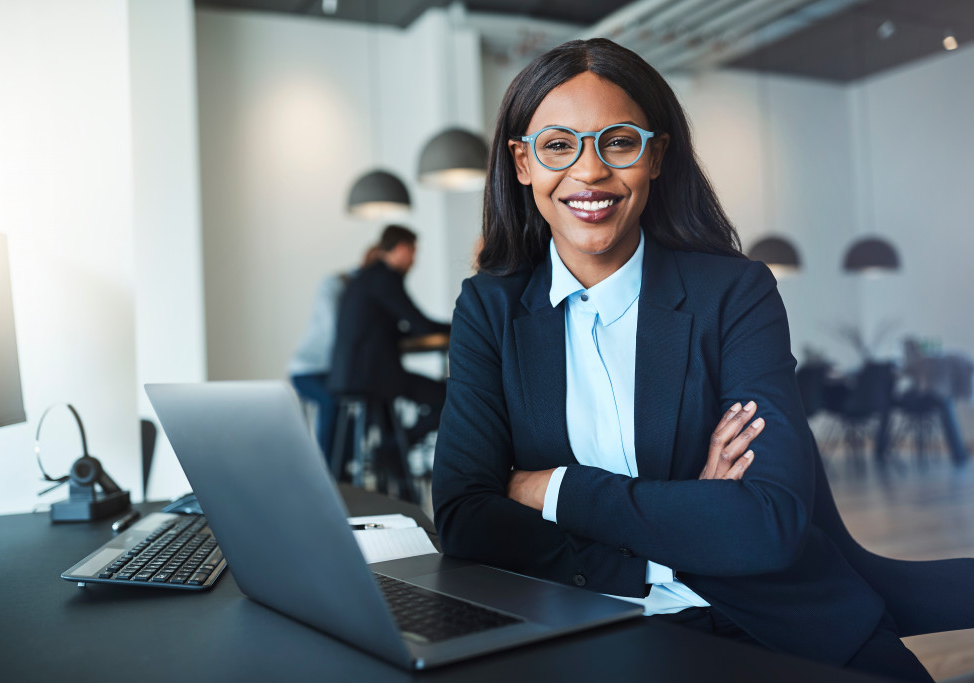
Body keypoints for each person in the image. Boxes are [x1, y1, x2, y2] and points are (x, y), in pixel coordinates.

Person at [431, 38, 937, 681]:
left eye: (618, 142)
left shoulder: (736, 294)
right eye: (559, 145)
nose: (589, 173)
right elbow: (465, 519)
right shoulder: (491, 309)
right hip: (584, 623)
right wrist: (681, 522)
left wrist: (550, 486)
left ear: (656, 155)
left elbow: (768, 523)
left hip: (779, 619)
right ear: (523, 163)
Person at [328, 225, 451, 452]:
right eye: (414, 252)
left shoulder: (366, 277)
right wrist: (462, 326)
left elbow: (392, 328)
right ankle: (393, 448)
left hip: (350, 375)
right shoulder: (385, 278)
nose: (414, 260)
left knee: (422, 399)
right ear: (402, 248)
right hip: (372, 377)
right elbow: (420, 325)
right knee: (450, 399)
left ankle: (393, 452)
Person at [288, 245, 380, 463]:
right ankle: (329, 471)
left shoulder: (368, 291)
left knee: (371, 400)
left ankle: (346, 468)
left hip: (337, 370)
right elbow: (335, 331)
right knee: (332, 402)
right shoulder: (335, 284)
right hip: (307, 369)